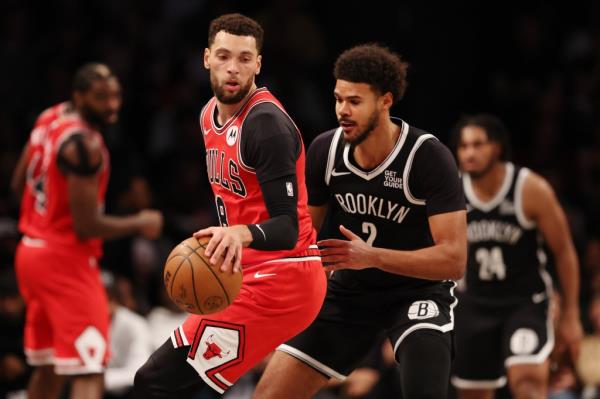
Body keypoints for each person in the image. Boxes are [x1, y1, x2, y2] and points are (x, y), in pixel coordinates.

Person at [253, 43, 467, 399]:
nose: (342, 111)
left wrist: (372, 256)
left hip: (416, 292)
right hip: (348, 292)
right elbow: (300, 237)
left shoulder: (428, 156)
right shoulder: (325, 150)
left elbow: (454, 260)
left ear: (385, 101)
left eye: (354, 101)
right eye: (338, 99)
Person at [134, 13, 327, 397]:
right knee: (169, 384)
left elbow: (287, 227)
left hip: (284, 280)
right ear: (207, 58)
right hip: (245, 271)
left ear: (258, 64)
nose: (233, 68)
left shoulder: (266, 126)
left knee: (155, 383)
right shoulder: (209, 114)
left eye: (244, 58)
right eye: (223, 57)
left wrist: (239, 233)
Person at [11, 63, 163, 399]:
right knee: (89, 367)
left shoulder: (49, 118)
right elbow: (86, 226)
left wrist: (45, 215)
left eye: (115, 96)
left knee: (50, 365)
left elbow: (17, 184)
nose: (111, 106)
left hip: (31, 250)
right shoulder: (84, 146)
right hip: (65, 261)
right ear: (78, 97)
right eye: (101, 98)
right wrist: (141, 221)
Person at [449, 114, 583, 399]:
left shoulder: (530, 188)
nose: (469, 153)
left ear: (496, 148)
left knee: (528, 385)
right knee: (471, 393)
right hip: (474, 303)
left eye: (477, 144)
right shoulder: (452, 192)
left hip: (524, 302)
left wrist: (571, 314)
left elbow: (564, 251)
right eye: (463, 146)